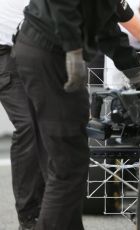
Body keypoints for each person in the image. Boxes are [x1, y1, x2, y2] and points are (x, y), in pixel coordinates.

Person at [13, 0, 140, 229]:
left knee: (74, 158)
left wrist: (135, 73)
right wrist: (73, 51)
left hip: (54, 53)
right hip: (48, 54)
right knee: (66, 161)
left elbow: (109, 28)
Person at [0, 0, 46, 229]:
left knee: (46, 128)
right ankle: (28, 218)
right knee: (28, 126)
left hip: (38, 53)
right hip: (5, 57)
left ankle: (46, 212)